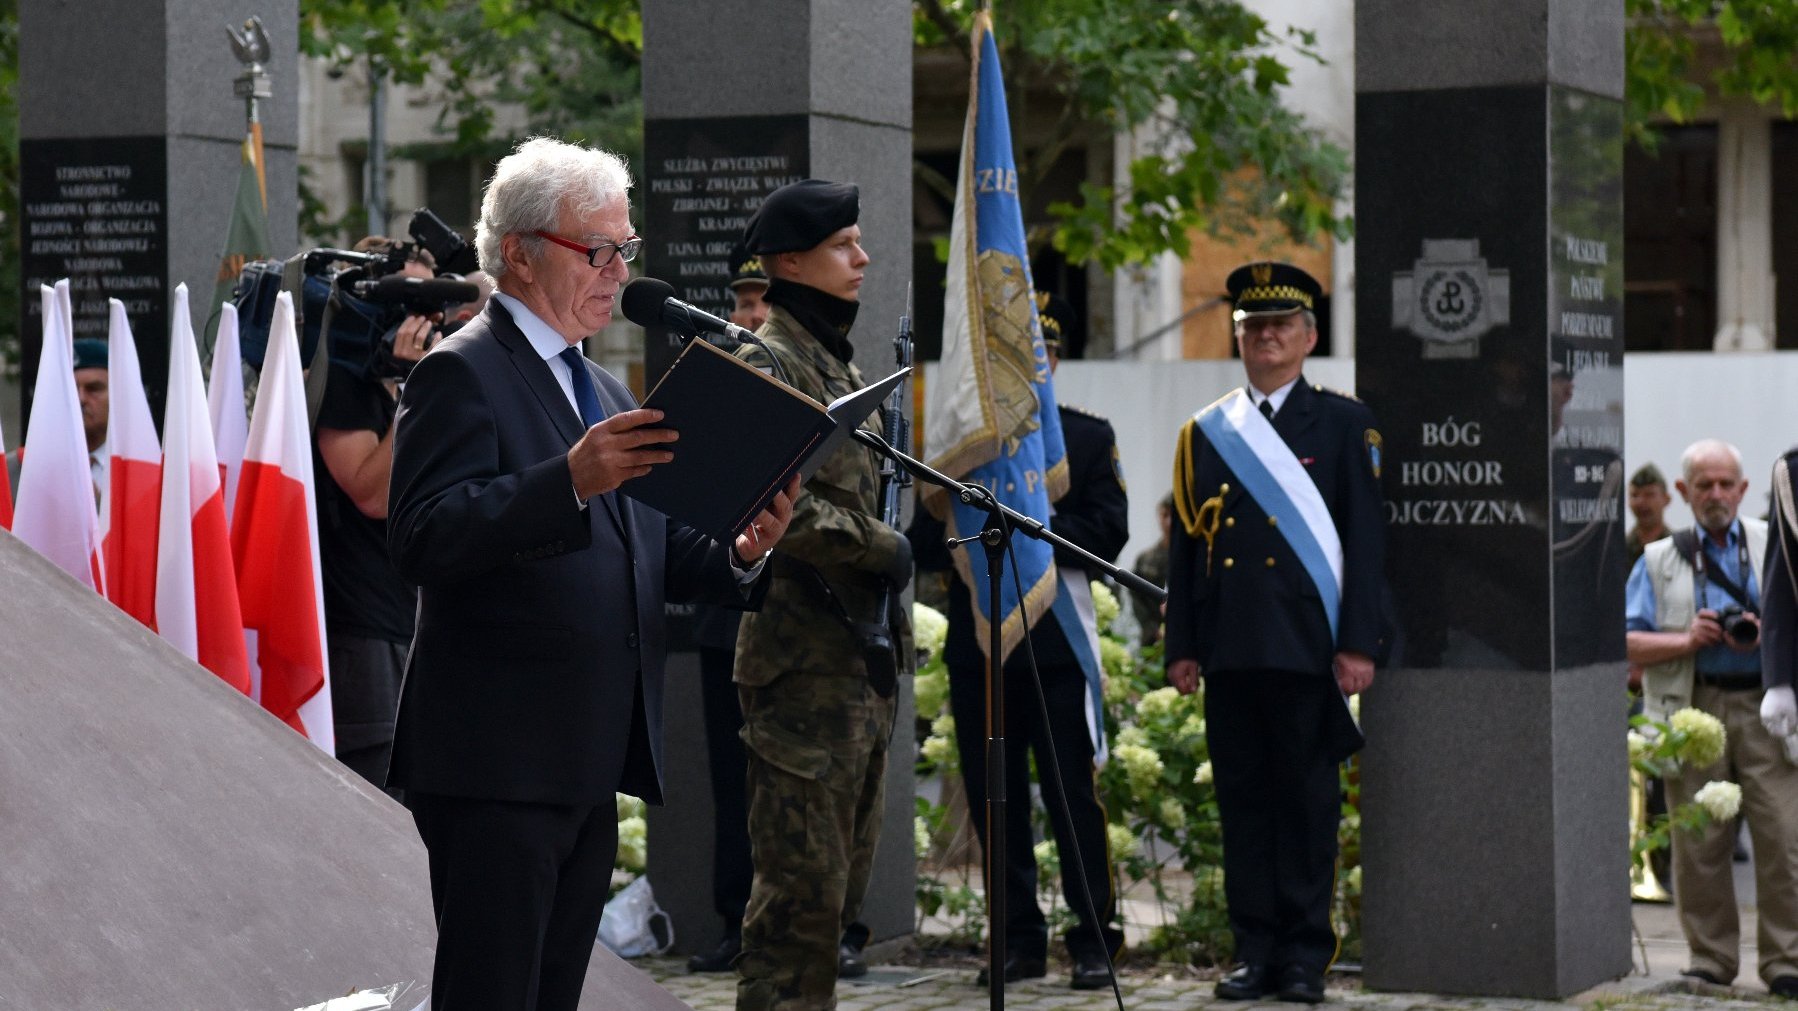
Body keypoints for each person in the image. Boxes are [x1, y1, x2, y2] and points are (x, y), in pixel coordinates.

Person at [385, 136, 797, 1011]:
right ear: (521, 254)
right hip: (496, 759)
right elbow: (423, 535)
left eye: (626, 250)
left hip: (585, 757)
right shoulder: (459, 373)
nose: (617, 271)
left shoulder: (605, 393)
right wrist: (568, 479)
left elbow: (643, 546)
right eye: (598, 250)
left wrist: (740, 548)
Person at [1163, 261, 1386, 1005]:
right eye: (1252, 326)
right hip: (1231, 649)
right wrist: (1183, 646)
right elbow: (1190, 551)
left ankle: (1302, 955)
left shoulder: (1345, 423)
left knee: (1306, 803)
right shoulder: (1205, 432)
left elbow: (1366, 541)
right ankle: (1253, 949)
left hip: (1307, 647)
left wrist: (1358, 643)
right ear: (1237, 337)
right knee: (1245, 804)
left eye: (1279, 325)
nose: (1265, 337)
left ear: (1309, 336)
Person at [909, 290, 1127, 991]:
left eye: (1040, 360)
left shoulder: (1088, 439)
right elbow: (921, 541)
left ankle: (1094, 938)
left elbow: (1107, 531)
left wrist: (1034, 525)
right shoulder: (962, 449)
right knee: (993, 797)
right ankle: (1015, 939)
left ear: (1054, 362)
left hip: (1056, 647)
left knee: (1071, 798)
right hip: (983, 647)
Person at [730, 178, 913, 1011]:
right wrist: (881, 544)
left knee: (834, 908)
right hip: (800, 674)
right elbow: (775, 500)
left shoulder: (835, 362)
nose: (863, 258)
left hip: (854, 664)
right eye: (845, 245)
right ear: (790, 262)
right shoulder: (768, 360)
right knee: (795, 914)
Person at [1626, 439, 1798, 997]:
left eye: (1727, 484)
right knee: (1699, 847)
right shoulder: (1658, 559)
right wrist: (1686, 639)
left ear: (1745, 489)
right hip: (1692, 706)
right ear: (1683, 492)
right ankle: (1711, 959)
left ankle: (1786, 963)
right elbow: (1622, 641)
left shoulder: (1774, 540)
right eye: (1704, 485)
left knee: (1784, 838)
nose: (1716, 495)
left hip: (1767, 707)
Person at [312, 237, 435, 793]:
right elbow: (369, 492)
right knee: (377, 795)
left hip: (415, 620)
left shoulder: (404, 381)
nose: (419, 316)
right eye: (403, 299)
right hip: (363, 631)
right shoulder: (344, 378)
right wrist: (415, 388)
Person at [686, 243, 773, 975]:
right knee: (728, 777)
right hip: (724, 615)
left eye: (760, 304)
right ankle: (730, 916)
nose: (749, 316)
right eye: (742, 305)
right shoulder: (713, 385)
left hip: (790, 620)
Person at [1130, 492, 1174, 647]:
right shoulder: (1146, 558)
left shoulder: (1194, 558)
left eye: (1173, 515)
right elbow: (1135, 594)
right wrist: (1152, 629)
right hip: (1153, 639)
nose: (1169, 522)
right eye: (1165, 515)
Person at [1628, 463, 1673, 566]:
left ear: (1666, 499)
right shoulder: (1619, 549)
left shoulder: (1677, 549)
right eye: (1634, 495)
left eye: (1649, 495)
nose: (1641, 502)